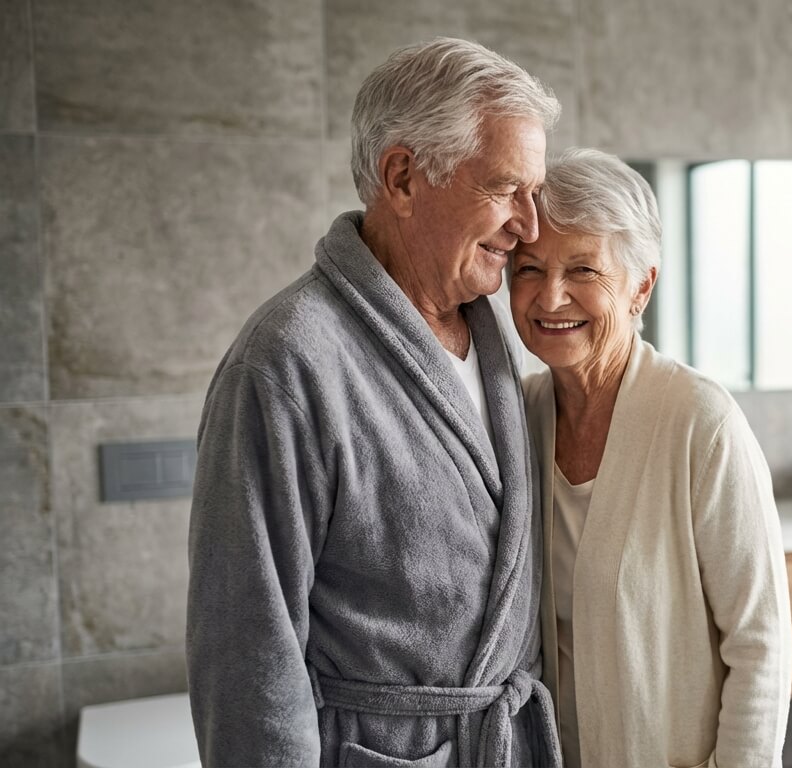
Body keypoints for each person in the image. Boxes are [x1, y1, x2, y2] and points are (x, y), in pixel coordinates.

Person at [186, 38, 562, 767]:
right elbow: (245, 656)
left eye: (535, 192)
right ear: (403, 176)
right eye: (506, 188)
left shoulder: (491, 338)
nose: (530, 225)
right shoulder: (286, 364)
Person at [509, 148, 792, 768]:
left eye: (584, 270)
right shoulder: (517, 418)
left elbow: (760, 643)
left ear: (642, 285)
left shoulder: (699, 420)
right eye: (529, 268)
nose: (550, 297)